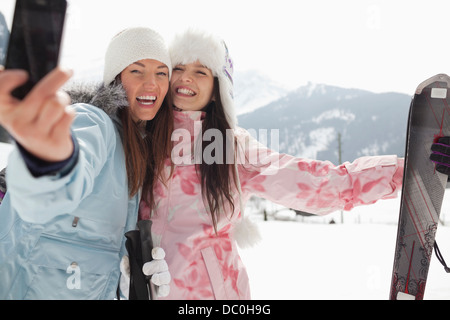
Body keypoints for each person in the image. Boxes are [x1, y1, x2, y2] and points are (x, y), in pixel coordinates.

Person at [137, 28, 450, 300]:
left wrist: (409, 172)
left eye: (201, 71)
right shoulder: (139, 140)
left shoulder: (233, 149)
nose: (186, 78)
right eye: (178, 67)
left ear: (218, 91)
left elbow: (318, 183)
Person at [0, 27, 172, 299]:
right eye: (137, 71)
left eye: (161, 72)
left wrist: (130, 284)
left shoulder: (136, 151)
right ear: (116, 78)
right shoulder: (93, 122)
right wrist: (48, 160)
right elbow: (67, 171)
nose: (151, 84)